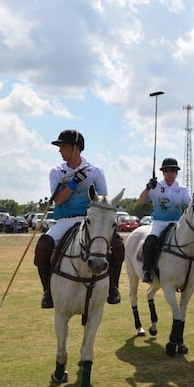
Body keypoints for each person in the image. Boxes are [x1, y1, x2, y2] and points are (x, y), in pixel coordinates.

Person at [34, 129, 125, 308]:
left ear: (76, 148)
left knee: (119, 247)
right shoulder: (57, 172)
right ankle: (48, 292)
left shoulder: (95, 171)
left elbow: (103, 202)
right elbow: (58, 200)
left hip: (89, 220)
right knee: (42, 248)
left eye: (64, 146)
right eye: (60, 146)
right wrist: (74, 182)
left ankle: (113, 287)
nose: (60, 150)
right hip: (64, 220)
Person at [137, 157, 193, 283]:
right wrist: (148, 188)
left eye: (173, 170)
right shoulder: (156, 187)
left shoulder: (182, 189)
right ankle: (147, 270)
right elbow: (141, 202)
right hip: (159, 223)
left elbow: (190, 205)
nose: (170, 173)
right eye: (167, 170)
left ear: (176, 172)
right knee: (150, 242)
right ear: (163, 172)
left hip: (176, 223)